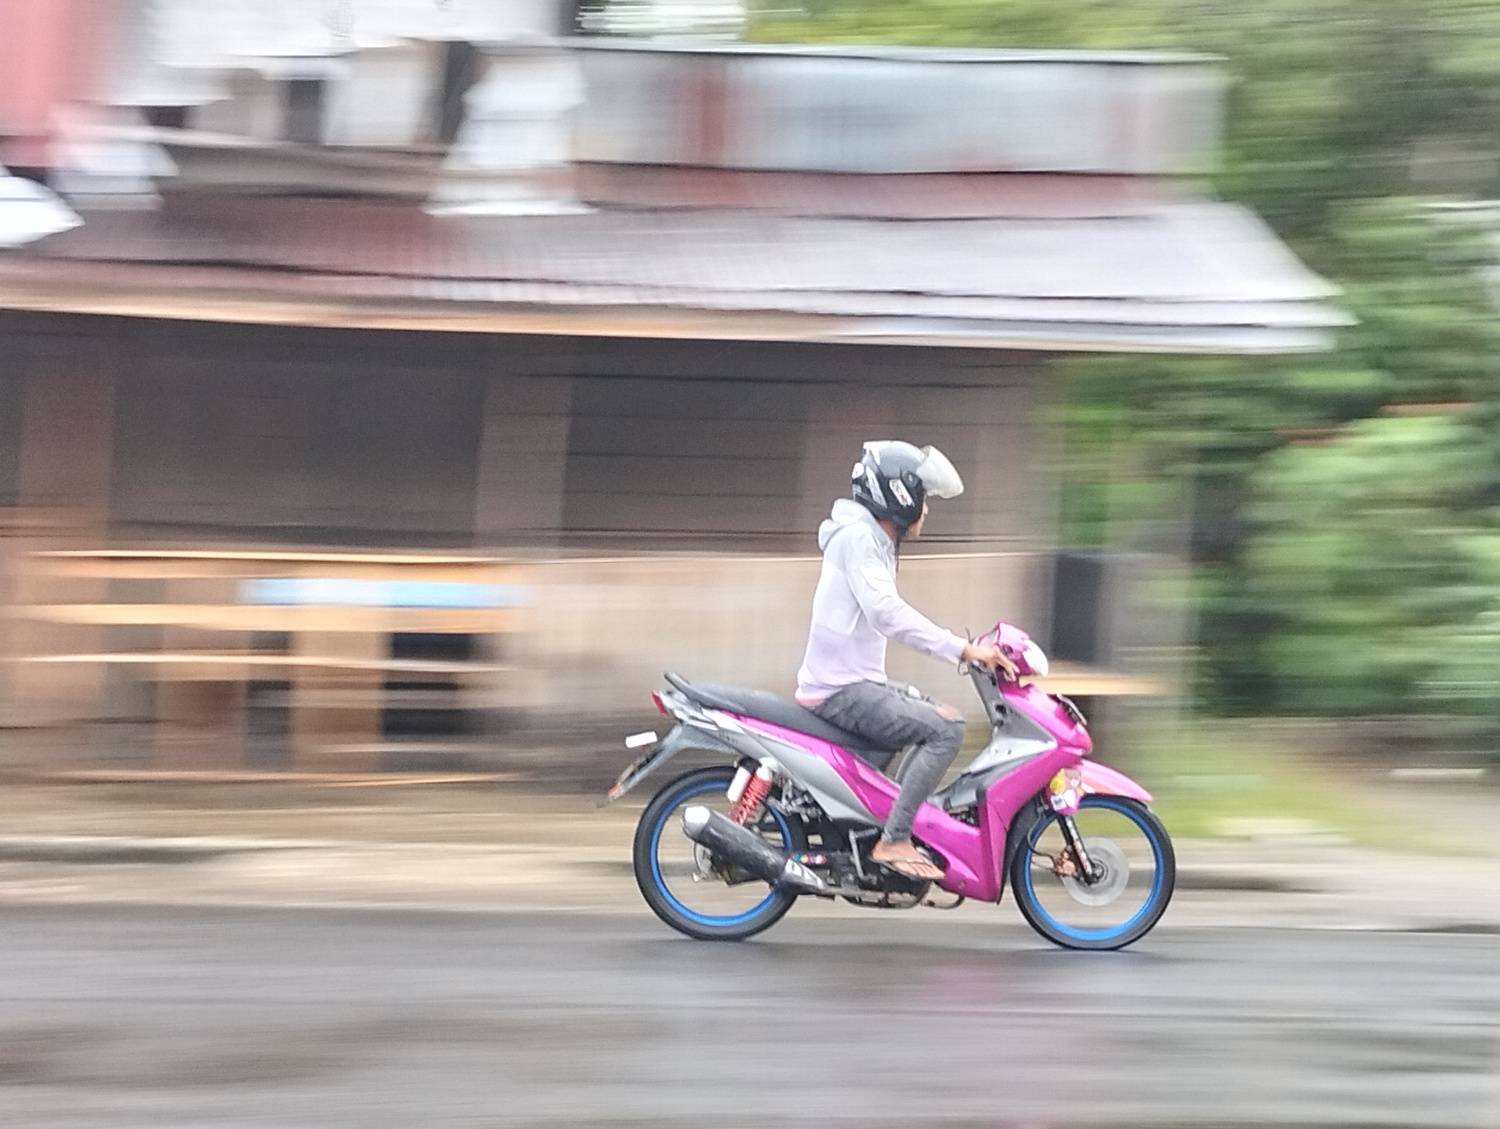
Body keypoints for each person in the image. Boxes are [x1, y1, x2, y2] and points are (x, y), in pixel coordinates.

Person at [795, 441, 1014, 881]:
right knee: (947, 729)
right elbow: (887, 614)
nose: (925, 509)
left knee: (937, 712)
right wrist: (962, 649)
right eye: (922, 498)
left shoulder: (868, 538)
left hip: (852, 683)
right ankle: (893, 840)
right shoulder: (860, 539)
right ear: (898, 496)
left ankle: (887, 824)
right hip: (842, 691)